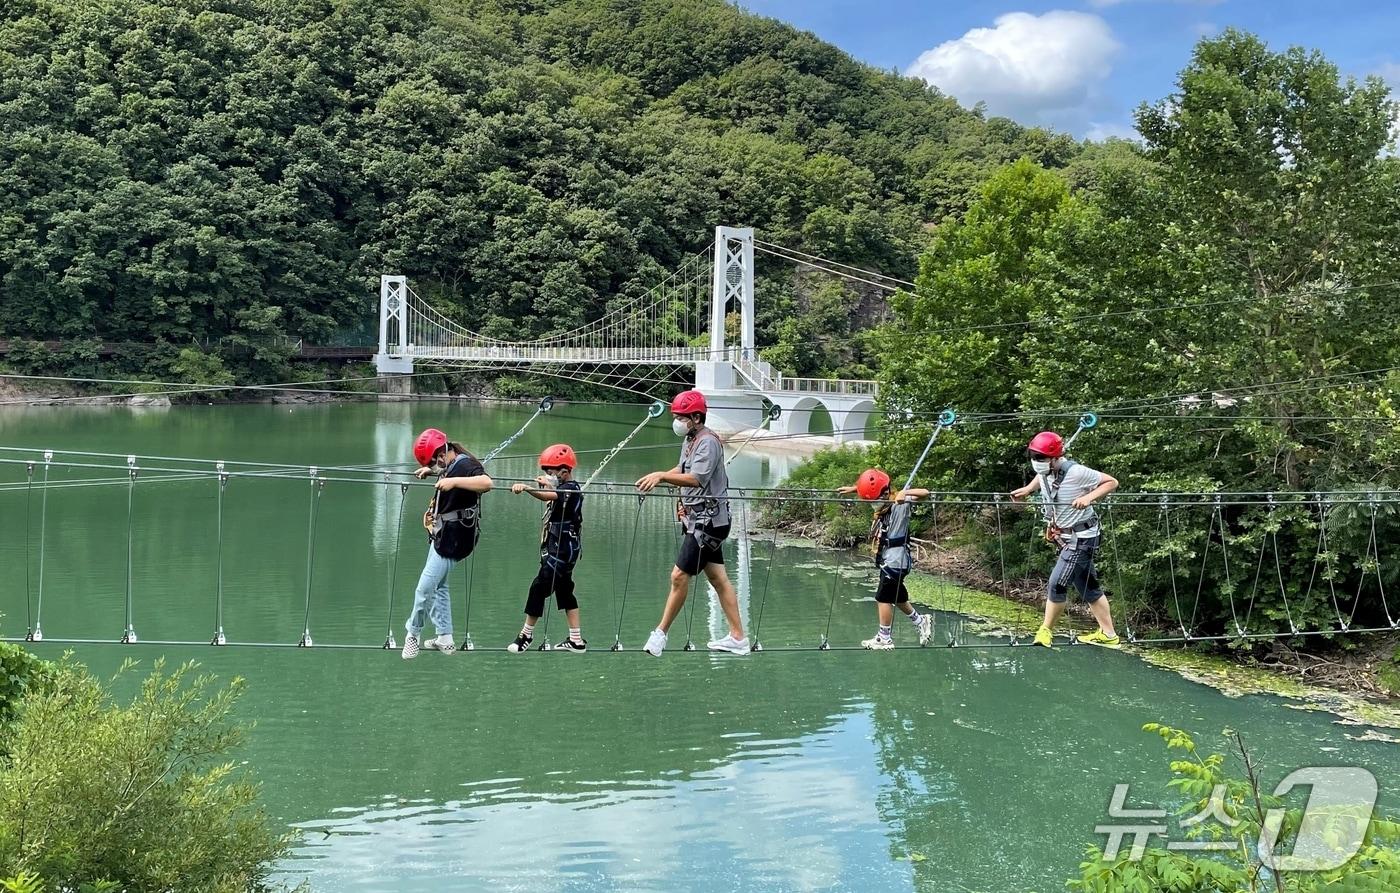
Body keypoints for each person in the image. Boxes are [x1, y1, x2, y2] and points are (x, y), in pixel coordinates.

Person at [635, 389, 749, 656]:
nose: (677, 420)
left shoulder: (708, 442)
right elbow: (684, 469)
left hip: (707, 522)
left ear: (696, 417)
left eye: (681, 416)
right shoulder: (691, 439)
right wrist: (658, 474)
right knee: (718, 579)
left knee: (678, 576)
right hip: (700, 519)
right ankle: (738, 638)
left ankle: (660, 635)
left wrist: (662, 477)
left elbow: (697, 478)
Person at [1010, 431, 1120, 648]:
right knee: (1088, 587)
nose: (1036, 463)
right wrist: (1029, 489)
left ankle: (1045, 632)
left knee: (1057, 583)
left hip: (1082, 539)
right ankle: (1109, 635)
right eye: (1034, 458)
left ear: (1055, 457)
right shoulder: (1046, 471)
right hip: (1067, 536)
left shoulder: (1077, 473)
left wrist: (1088, 498)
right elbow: (1042, 477)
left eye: (1040, 458)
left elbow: (1111, 482)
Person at [401, 428, 492, 660]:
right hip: (444, 535)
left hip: (455, 540)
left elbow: (486, 482)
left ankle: (412, 634)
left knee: (424, 589)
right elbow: (447, 472)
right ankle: (445, 637)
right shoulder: (450, 465)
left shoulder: (464, 465)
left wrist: (451, 482)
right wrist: (431, 472)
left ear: (443, 452)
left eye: (434, 461)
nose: (436, 464)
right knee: (439, 586)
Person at [836, 468, 934, 650]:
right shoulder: (884, 503)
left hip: (897, 560)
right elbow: (873, 492)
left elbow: (925, 493)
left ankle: (884, 638)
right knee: (896, 596)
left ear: (885, 493)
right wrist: (854, 489)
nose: (872, 504)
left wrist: (906, 493)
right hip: (889, 558)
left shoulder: (900, 502)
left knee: (883, 597)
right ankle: (921, 621)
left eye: (874, 500)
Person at [507, 444, 587, 653]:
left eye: (551, 473)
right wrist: (548, 484)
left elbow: (549, 496)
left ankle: (526, 635)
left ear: (564, 471)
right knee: (564, 589)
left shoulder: (570, 488)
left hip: (563, 549)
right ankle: (576, 640)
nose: (548, 476)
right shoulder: (564, 488)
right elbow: (554, 495)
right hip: (563, 547)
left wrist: (527, 488)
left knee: (539, 587)